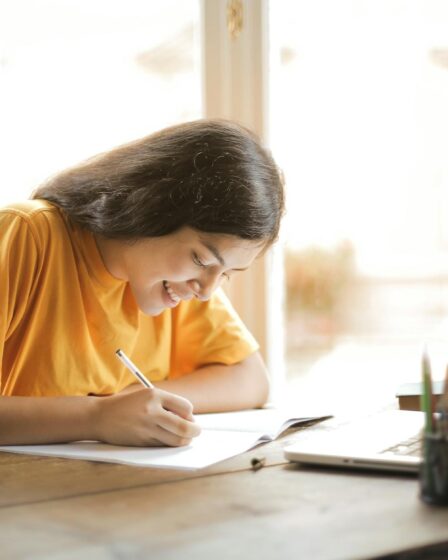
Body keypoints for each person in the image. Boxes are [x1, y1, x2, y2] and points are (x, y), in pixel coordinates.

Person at [0, 119, 284, 448]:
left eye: (226, 274)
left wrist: (134, 402)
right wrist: (95, 416)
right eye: (202, 260)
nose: (207, 291)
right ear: (150, 208)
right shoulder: (26, 235)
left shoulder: (176, 285)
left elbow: (250, 379)